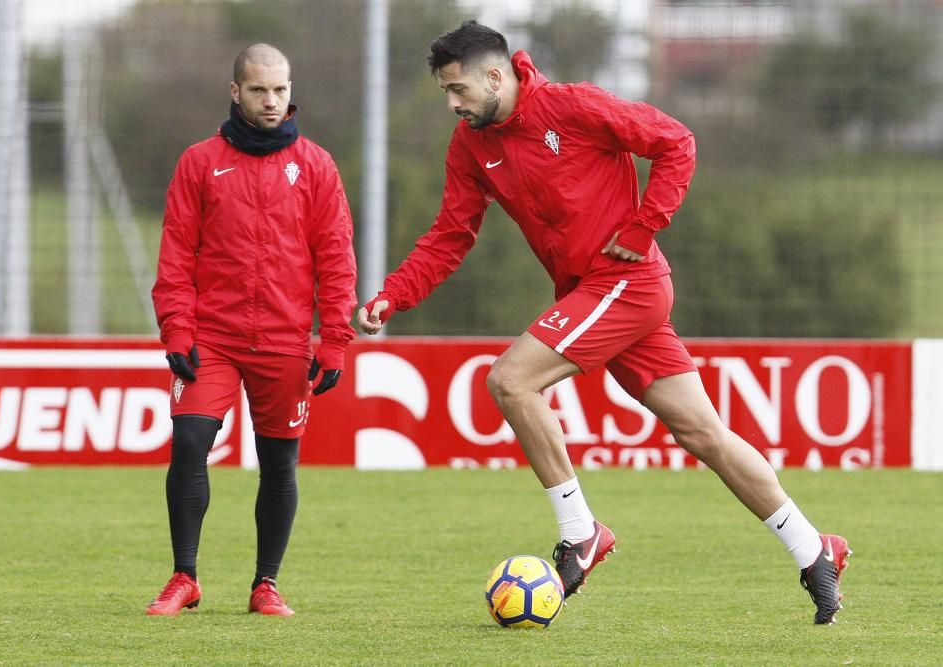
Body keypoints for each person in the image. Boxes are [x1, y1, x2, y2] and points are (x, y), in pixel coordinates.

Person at [357, 21, 850, 624]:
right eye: (445, 93)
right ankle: (813, 548)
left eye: (458, 88)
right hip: (597, 295)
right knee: (703, 435)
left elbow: (676, 141)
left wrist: (645, 225)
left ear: (496, 75)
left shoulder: (574, 106)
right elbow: (451, 233)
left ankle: (581, 532)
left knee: (510, 380)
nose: (453, 103)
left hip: (627, 282)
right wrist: (394, 295)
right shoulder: (470, 147)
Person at [148, 44, 357, 617]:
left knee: (279, 464)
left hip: (285, 343)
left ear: (292, 92)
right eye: (260, 90)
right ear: (235, 91)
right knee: (189, 444)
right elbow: (176, 255)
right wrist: (176, 330)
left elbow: (335, 256)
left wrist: (334, 338)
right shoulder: (198, 162)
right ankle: (184, 577)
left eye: (281, 90)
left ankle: (266, 584)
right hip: (211, 338)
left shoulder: (316, 166)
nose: (272, 101)